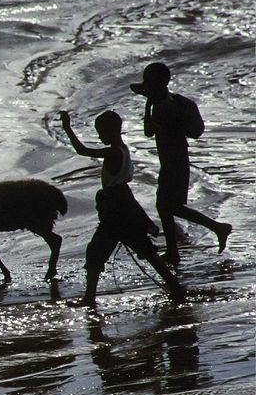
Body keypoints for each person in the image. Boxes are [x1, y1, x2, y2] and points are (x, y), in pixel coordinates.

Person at [60, 109, 185, 307]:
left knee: (95, 253)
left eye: (100, 131)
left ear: (110, 130)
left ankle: (89, 298)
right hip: (124, 209)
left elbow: (83, 151)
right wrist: (146, 222)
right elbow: (129, 197)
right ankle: (175, 288)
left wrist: (67, 128)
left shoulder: (112, 152)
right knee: (147, 252)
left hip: (115, 212)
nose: (99, 136)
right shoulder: (123, 150)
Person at [131, 62, 231, 264]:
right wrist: (150, 95)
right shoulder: (172, 101)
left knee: (169, 206)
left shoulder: (161, 107)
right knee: (168, 207)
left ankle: (217, 228)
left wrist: (148, 104)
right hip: (177, 161)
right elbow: (137, 88)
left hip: (172, 163)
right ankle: (175, 250)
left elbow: (148, 132)